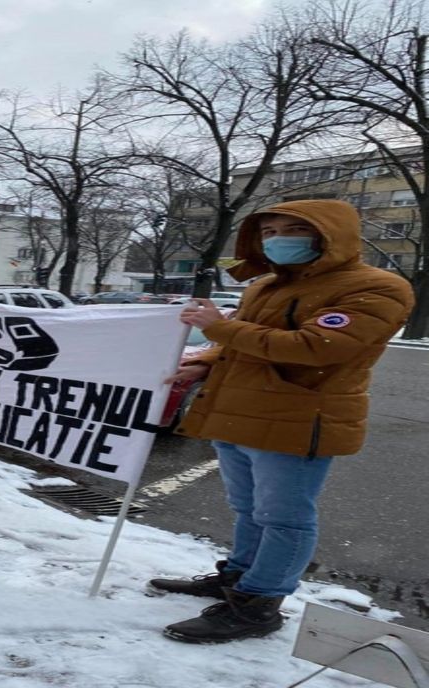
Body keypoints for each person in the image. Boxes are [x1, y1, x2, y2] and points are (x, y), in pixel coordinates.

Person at [150, 199, 414, 644]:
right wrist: (207, 363)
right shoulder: (265, 286)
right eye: (269, 231)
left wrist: (219, 330)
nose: (277, 239)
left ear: (331, 234)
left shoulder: (378, 287)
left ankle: (259, 605)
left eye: (293, 229)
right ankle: (236, 577)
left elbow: (318, 347)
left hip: (297, 417)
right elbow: (242, 343)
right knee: (248, 509)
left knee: (284, 518)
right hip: (235, 413)